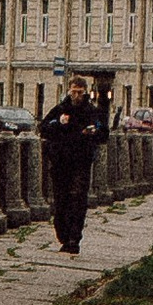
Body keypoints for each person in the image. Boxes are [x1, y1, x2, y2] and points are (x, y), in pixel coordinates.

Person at [40, 73, 108, 255]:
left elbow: (104, 133)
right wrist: (58, 124)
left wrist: (93, 132)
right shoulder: (61, 109)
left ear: (85, 92)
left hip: (81, 162)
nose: (76, 96)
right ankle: (63, 235)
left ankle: (74, 239)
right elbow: (44, 128)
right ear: (68, 91)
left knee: (78, 200)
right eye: (73, 92)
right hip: (60, 162)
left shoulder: (91, 111)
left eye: (79, 92)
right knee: (61, 200)